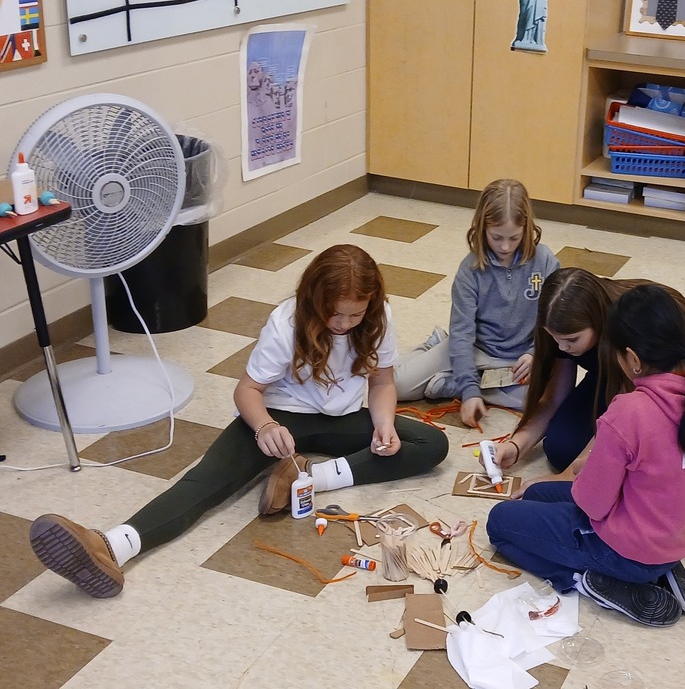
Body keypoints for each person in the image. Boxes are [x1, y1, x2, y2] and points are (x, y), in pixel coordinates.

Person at [28, 245, 449, 599]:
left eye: (354, 316)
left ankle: (307, 478)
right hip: (280, 417)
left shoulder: (379, 318)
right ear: (313, 299)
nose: (343, 324)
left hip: (343, 418)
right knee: (204, 482)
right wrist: (265, 427)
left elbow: (383, 381)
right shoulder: (286, 323)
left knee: (431, 444)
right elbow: (246, 391)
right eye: (334, 315)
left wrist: (383, 423)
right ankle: (112, 545)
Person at [487, 284, 685, 626]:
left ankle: (592, 582)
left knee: (499, 522)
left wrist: (591, 467)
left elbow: (593, 505)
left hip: (625, 549)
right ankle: (662, 569)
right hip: (682, 539)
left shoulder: (630, 411)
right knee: (539, 493)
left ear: (632, 358)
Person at [490, 267, 685, 475]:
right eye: (554, 338)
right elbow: (553, 399)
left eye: (571, 339)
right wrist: (516, 445)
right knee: (561, 449)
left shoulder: (628, 332)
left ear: (598, 322)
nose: (562, 347)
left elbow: (623, 414)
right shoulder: (563, 326)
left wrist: (559, 482)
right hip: (617, 372)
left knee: (654, 465)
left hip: (678, 376)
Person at [394, 179, 559, 429]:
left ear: (527, 228)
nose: (505, 246)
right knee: (397, 386)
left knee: (543, 401)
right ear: (482, 228)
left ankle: (454, 384)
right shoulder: (470, 269)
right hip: (474, 347)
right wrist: (470, 393)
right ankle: (443, 355)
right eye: (496, 237)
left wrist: (534, 353)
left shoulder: (545, 261)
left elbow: (556, 318)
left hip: (519, 357)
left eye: (514, 237)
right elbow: (462, 335)